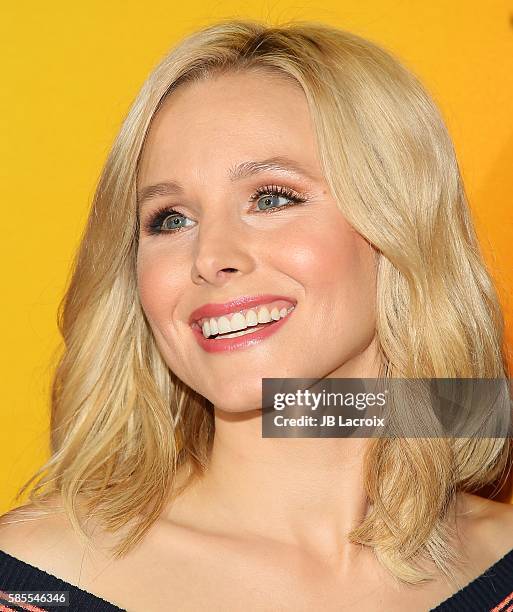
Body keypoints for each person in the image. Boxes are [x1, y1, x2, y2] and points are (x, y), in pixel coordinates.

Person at [1, 18, 513, 612]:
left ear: (398, 224)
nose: (211, 257)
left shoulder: (499, 561)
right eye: (171, 218)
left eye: (272, 198)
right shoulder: (36, 578)